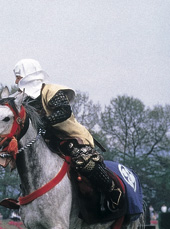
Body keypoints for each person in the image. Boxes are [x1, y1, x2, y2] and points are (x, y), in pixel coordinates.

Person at [13, 58, 122, 212]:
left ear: (26, 75)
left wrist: (43, 122)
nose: (15, 80)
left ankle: (111, 190)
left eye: (18, 76)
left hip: (70, 137)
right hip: (45, 140)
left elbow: (64, 111)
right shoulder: (22, 98)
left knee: (85, 161)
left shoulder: (51, 91)